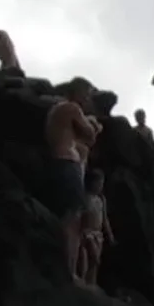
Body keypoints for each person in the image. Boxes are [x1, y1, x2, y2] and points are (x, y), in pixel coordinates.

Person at [42, 78, 101, 283]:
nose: (87, 100)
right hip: (67, 165)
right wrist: (93, 123)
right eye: (86, 95)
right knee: (73, 220)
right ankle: (69, 272)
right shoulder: (71, 108)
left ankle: (64, 268)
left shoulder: (56, 111)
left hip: (56, 164)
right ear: (78, 92)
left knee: (64, 218)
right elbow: (91, 135)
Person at [78, 170, 115, 287]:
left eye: (102, 184)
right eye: (98, 183)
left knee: (95, 263)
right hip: (87, 232)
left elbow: (105, 219)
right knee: (92, 258)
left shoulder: (101, 200)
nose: (100, 186)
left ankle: (92, 283)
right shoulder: (85, 198)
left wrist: (110, 234)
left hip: (98, 234)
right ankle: (83, 281)